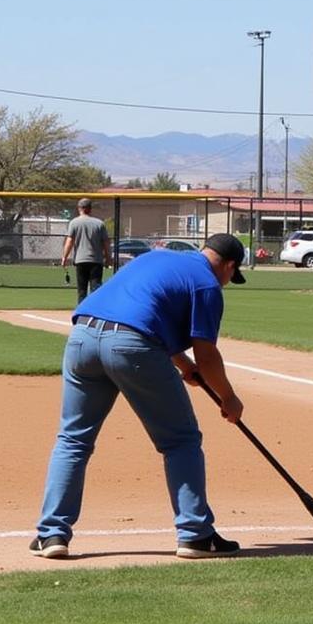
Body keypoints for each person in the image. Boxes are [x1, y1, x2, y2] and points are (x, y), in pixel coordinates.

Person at [32, 232, 248, 560]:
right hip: (132, 347)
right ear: (229, 266)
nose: (228, 281)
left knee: (72, 441)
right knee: (181, 441)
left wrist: (181, 363)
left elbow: (140, 307)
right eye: (233, 276)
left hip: (82, 337)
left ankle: (51, 535)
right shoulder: (207, 285)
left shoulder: (156, 257)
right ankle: (195, 535)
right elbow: (207, 355)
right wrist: (229, 397)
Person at [61, 197, 112, 304]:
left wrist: (64, 257)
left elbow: (69, 242)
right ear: (90, 209)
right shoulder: (99, 223)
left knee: (82, 290)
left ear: (79, 208)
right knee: (96, 289)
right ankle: (94, 313)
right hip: (96, 261)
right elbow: (106, 243)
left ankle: (82, 314)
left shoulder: (74, 223)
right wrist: (108, 259)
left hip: (81, 260)